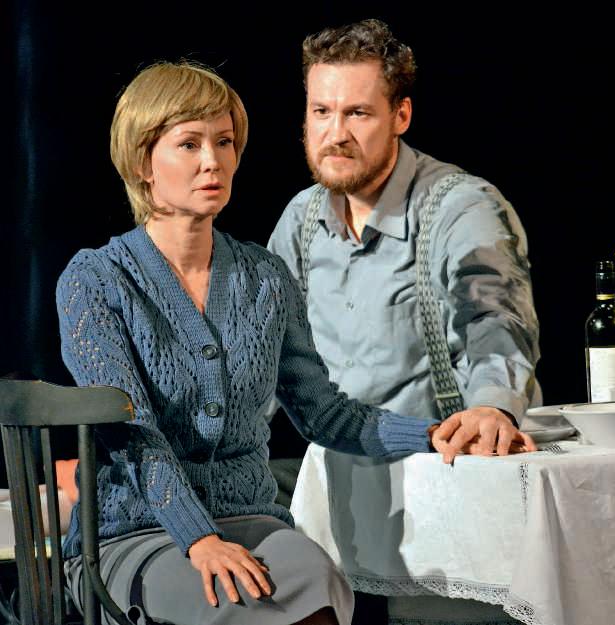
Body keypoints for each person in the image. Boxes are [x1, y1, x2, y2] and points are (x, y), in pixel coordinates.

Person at [55, 61, 529, 625]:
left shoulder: (264, 277)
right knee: (235, 599)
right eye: (189, 144)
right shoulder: (96, 280)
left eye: (225, 142)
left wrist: (432, 434)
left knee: (316, 579)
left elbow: (326, 413)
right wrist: (200, 539)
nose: (213, 161)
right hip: (135, 533)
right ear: (142, 162)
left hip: (252, 521)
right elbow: (134, 437)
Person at [267, 18, 541, 624]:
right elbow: (261, 359)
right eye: (321, 112)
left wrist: (491, 407)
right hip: (339, 497)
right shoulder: (301, 219)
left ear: (401, 115)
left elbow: (495, 319)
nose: (336, 134)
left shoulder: (460, 205)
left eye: (358, 113)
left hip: (445, 486)